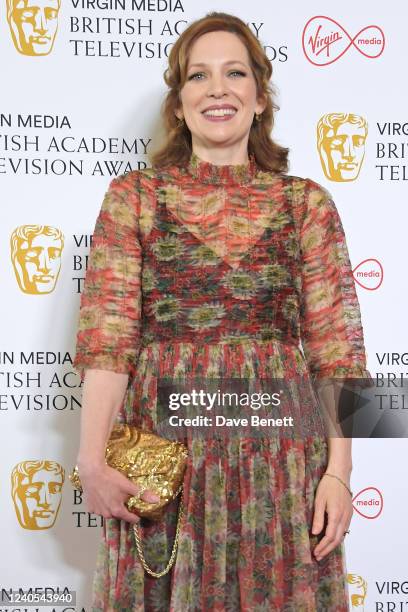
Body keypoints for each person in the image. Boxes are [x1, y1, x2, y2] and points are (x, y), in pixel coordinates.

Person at [72, 11, 371, 611]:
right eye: (198, 77)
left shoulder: (307, 204)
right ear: (178, 105)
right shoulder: (134, 198)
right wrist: (90, 458)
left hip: (285, 469)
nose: (217, 89)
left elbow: (338, 348)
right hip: (167, 461)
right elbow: (108, 339)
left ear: (260, 98)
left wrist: (339, 472)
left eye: (234, 73)